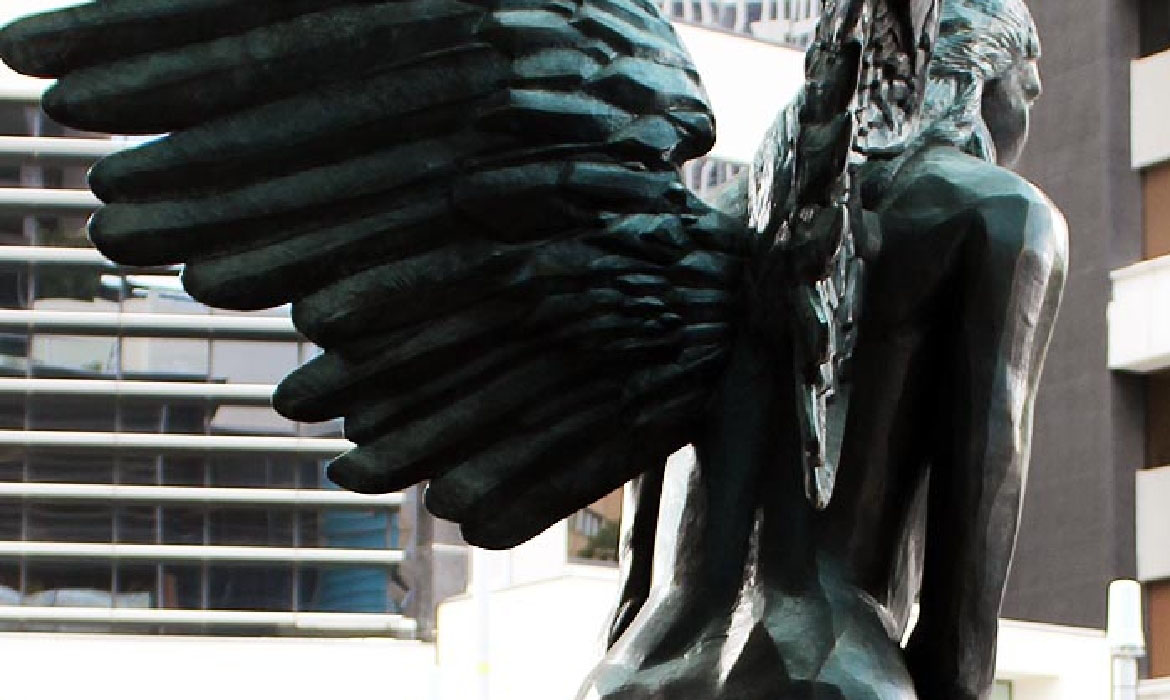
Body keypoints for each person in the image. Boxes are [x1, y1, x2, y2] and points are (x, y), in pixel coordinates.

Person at [589, 1, 1067, 698]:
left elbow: (645, 502)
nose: (1028, 106)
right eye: (1028, 84)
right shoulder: (999, 215)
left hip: (636, 671)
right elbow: (983, 491)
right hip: (826, 664)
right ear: (982, 78)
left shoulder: (726, 214)